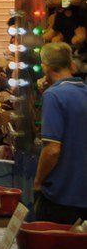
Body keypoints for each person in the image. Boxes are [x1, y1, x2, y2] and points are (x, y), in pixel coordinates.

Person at [33, 42, 86, 223]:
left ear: (45, 66)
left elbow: (52, 150)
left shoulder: (54, 96)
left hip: (61, 195)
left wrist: (38, 181)